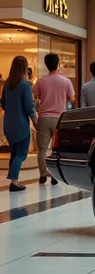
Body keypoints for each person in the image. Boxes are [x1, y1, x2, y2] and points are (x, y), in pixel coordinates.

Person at [33, 53, 75, 185]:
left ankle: (42, 174)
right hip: (60, 118)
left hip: (44, 117)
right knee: (56, 148)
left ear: (46, 65)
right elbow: (72, 99)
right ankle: (55, 176)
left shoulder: (41, 81)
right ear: (58, 64)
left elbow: (34, 98)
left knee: (42, 149)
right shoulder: (66, 81)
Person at [1, 56, 38, 191]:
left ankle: (13, 181)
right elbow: (29, 107)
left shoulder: (7, 84)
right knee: (21, 154)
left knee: (14, 153)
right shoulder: (25, 85)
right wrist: (35, 121)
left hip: (8, 124)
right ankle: (14, 180)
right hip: (21, 124)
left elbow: (3, 104)